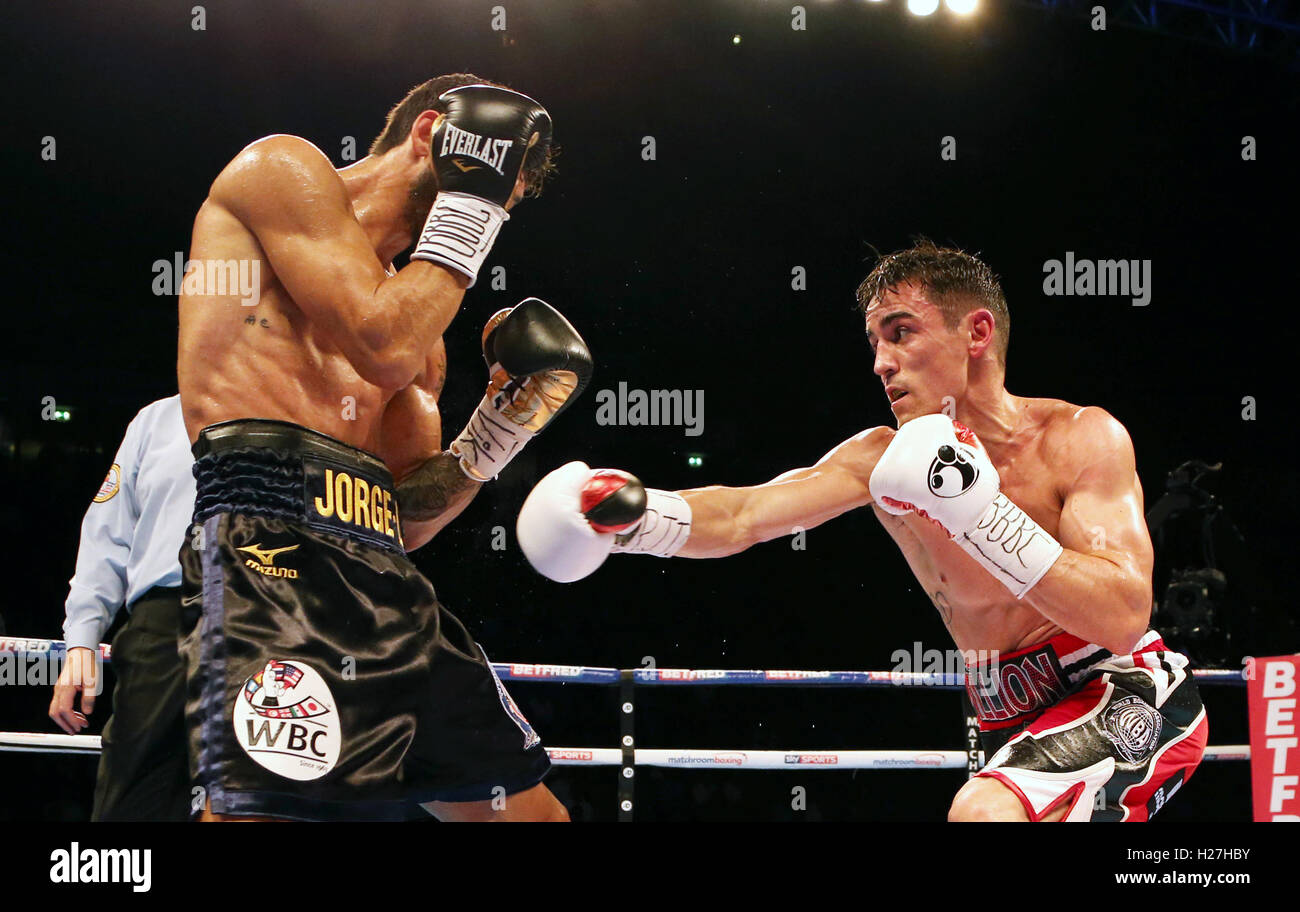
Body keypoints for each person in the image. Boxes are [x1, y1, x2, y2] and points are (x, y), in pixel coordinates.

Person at [517, 240, 1208, 822]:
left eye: (902, 332)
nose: (881, 362)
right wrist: (637, 519)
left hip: (1123, 689)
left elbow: (1122, 615)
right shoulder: (879, 460)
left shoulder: (1078, 438)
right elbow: (745, 516)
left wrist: (980, 513)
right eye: (875, 342)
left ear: (976, 333)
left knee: (984, 813)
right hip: (1001, 714)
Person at [177, 73, 586, 821]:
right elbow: (381, 342)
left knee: (534, 817)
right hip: (269, 544)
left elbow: (407, 520)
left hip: (380, 571)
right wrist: (469, 205)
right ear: (431, 132)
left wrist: (499, 431)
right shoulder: (281, 171)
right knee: (261, 813)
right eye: (489, 187)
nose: (494, 216)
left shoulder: (424, 337)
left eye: (504, 204)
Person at [48, 394, 196, 821]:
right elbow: (107, 538)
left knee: (258, 801)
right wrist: (81, 640)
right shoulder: (154, 421)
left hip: (270, 620)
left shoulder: (298, 407)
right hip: (163, 621)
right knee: (131, 802)